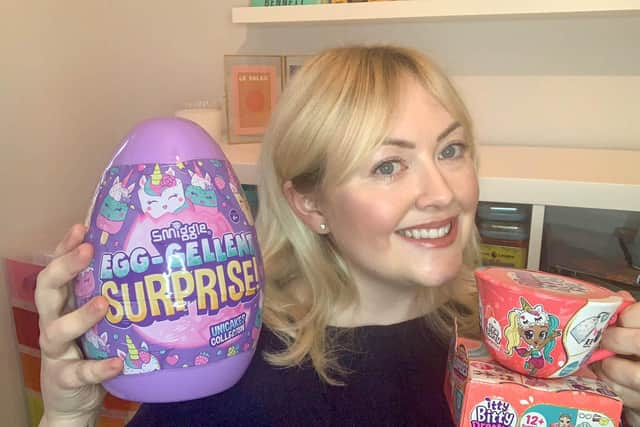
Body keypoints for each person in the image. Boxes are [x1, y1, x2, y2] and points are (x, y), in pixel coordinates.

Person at [35, 45, 640, 427]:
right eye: (387, 165)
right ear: (310, 203)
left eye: (451, 150)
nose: (443, 192)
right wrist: (67, 417)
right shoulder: (237, 371)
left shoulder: (529, 344)